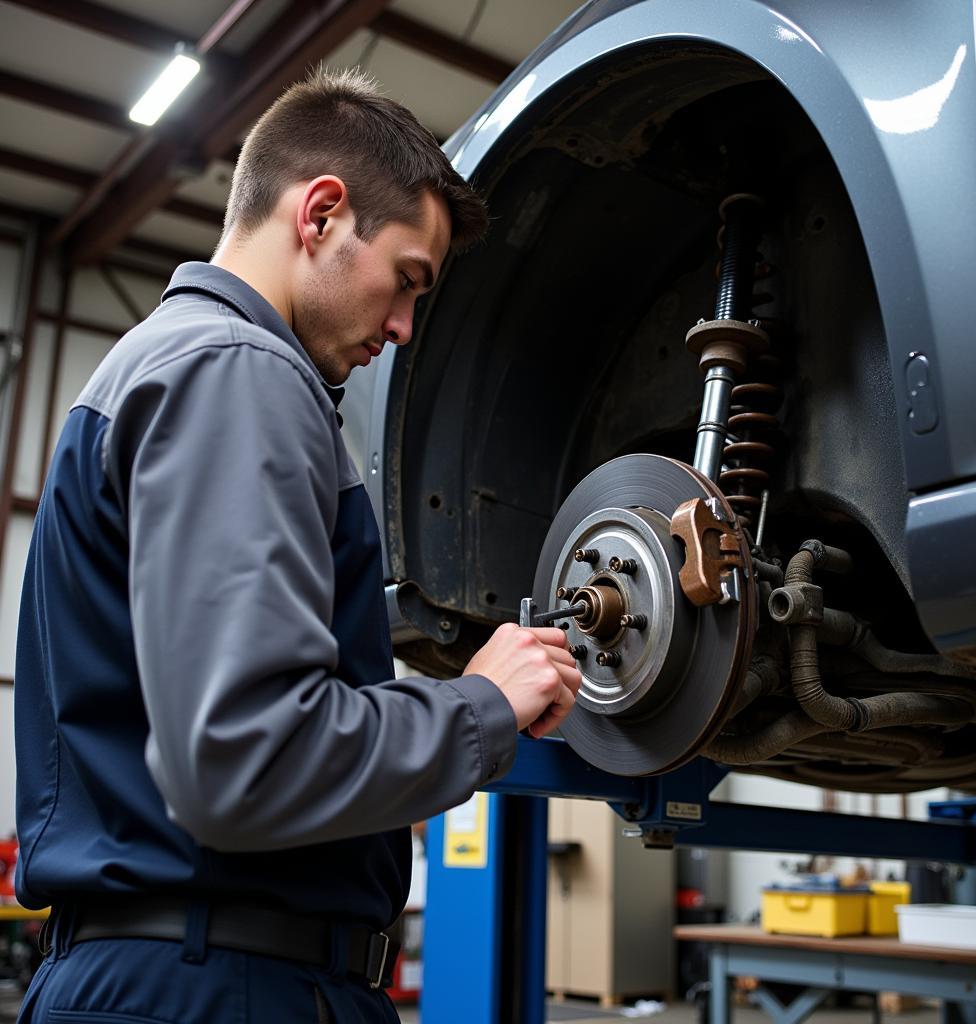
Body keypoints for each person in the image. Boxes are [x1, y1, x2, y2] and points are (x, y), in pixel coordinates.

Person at [14, 68, 581, 1023]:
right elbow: (248, 757)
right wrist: (480, 707)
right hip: (222, 983)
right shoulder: (238, 370)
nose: (402, 330)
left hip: (180, 976)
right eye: (406, 280)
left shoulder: (161, 364)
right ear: (320, 212)